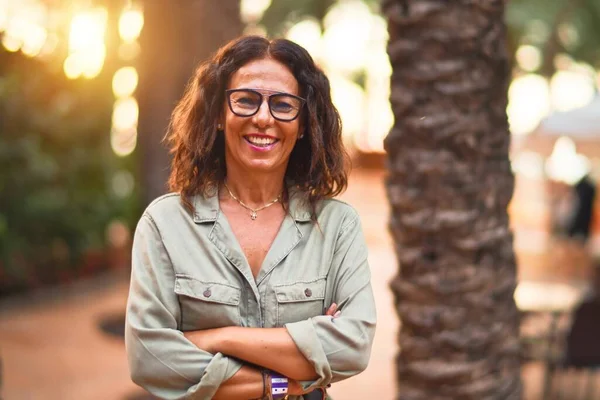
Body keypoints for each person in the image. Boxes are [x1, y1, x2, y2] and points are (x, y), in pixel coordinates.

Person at [125, 35, 376, 400]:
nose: (263, 118)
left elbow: (352, 348)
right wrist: (281, 381)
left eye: (283, 104)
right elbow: (150, 359)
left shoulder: (338, 226)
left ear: (304, 122)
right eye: (245, 101)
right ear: (217, 116)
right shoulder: (165, 223)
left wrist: (217, 338)